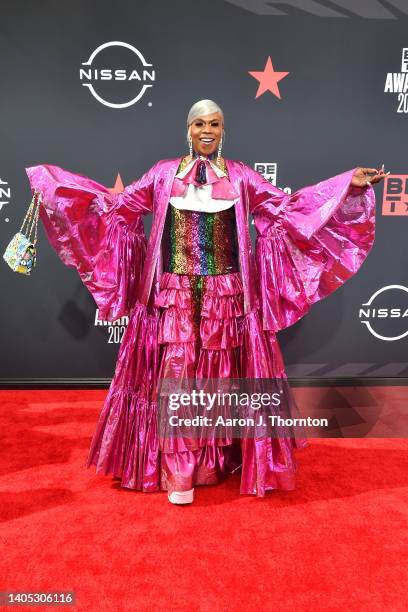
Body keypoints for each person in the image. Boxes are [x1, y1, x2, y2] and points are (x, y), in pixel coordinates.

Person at [26, 99, 386, 504]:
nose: (207, 131)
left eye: (215, 123)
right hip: (174, 294)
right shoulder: (163, 174)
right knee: (178, 376)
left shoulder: (243, 177)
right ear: (188, 128)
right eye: (200, 124)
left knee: (217, 380)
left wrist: (345, 185)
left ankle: (212, 462)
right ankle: (179, 474)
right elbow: (118, 209)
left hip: (226, 296)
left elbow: (291, 210)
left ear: (223, 129)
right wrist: (58, 189)